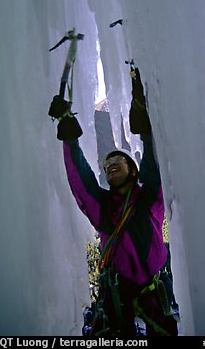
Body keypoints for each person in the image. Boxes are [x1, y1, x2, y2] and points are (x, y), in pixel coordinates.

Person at [48, 68, 178, 337]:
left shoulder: (148, 201)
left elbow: (154, 163)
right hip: (117, 299)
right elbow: (81, 183)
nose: (109, 166)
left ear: (133, 170)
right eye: (106, 165)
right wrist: (69, 137)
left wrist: (143, 118)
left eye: (116, 161)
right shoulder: (103, 209)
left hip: (152, 296)